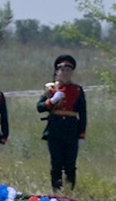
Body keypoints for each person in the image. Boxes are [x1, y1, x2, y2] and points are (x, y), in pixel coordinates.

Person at [36, 55, 87, 190]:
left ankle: (70, 191)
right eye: (62, 70)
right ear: (57, 72)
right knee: (56, 163)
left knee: (70, 164)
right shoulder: (51, 89)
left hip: (71, 129)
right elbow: (39, 107)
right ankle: (56, 191)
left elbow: (83, 113)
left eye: (68, 70)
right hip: (55, 130)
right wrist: (51, 101)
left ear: (72, 72)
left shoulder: (77, 90)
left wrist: (81, 134)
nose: (65, 73)